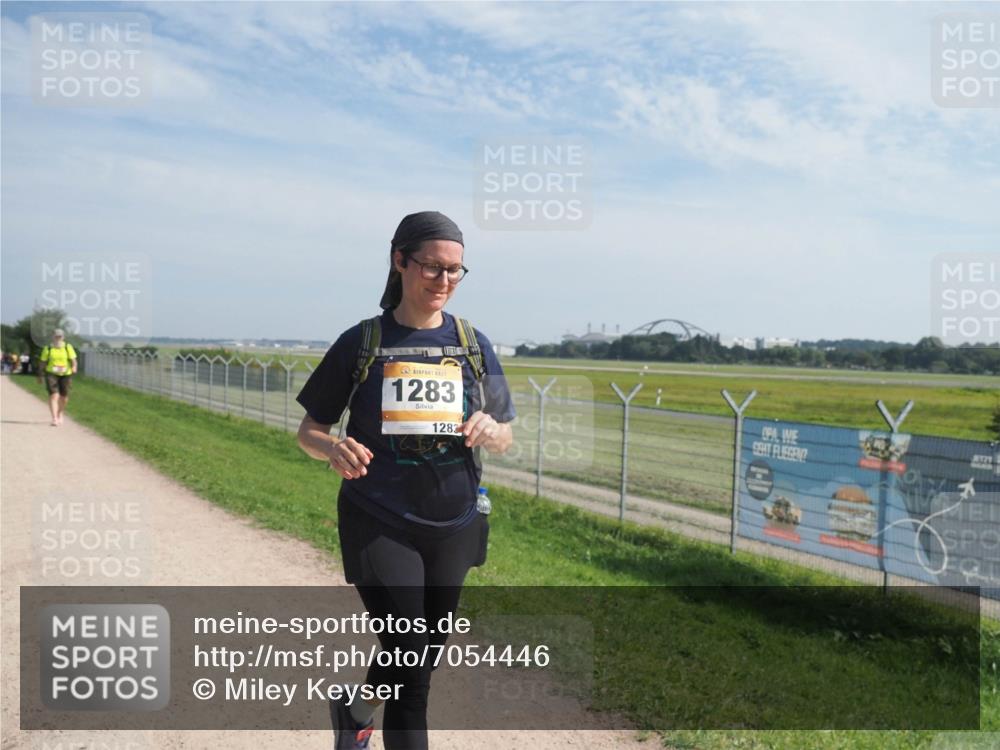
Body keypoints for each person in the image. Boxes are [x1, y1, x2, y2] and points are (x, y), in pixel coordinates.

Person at [295, 211, 515, 750]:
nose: (444, 280)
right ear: (399, 261)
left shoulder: (473, 343)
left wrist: (493, 430)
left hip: (454, 522)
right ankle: (362, 716)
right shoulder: (363, 342)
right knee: (412, 665)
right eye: (432, 267)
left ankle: (356, 711)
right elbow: (309, 430)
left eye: (455, 270)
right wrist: (333, 448)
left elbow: (505, 432)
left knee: (421, 653)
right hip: (379, 518)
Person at [37, 329, 77, 426]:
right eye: (56, 336)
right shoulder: (48, 348)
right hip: (52, 373)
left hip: (66, 374)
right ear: (53, 337)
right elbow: (43, 362)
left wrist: (74, 367)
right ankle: (54, 418)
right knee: (54, 395)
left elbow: (73, 360)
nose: (58, 338)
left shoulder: (68, 347)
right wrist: (40, 374)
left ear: (63, 337)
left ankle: (60, 413)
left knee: (64, 397)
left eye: (60, 336)